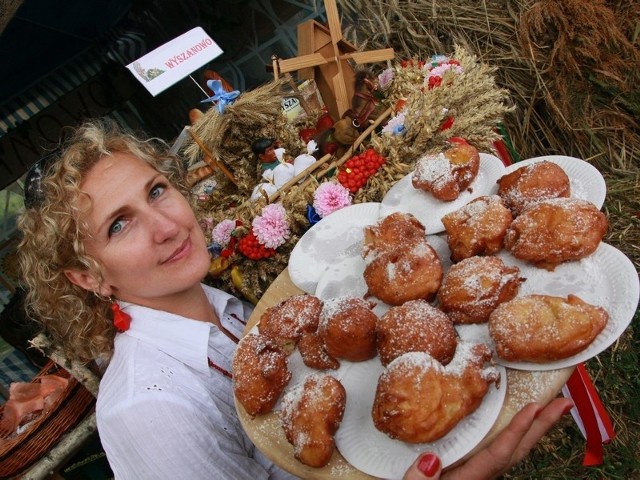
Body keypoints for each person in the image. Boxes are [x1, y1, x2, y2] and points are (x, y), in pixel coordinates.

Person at [17, 118, 572, 479]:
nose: (165, 225)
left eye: (157, 191)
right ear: (88, 278)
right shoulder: (148, 409)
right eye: (120, 225)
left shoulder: (224, 311)